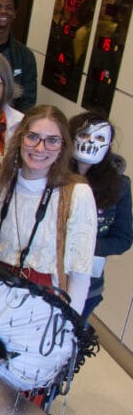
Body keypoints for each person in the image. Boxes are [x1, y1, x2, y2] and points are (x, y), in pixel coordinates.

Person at [0, 105, 97, 315]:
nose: (40, 148)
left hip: (43, 304)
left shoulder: (77, 194)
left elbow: (79, 275)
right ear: (20, 138)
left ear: (62, 147)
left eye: (52, 140)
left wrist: (69, 326)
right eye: (33, 137)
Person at [68, 112, 132, 321]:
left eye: (99, 138)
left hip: (88, 283)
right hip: (45, 274)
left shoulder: (119, 186)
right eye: (84, 135)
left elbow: (123, 238)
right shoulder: (51, 175)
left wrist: (88, 245)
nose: (90, 142)